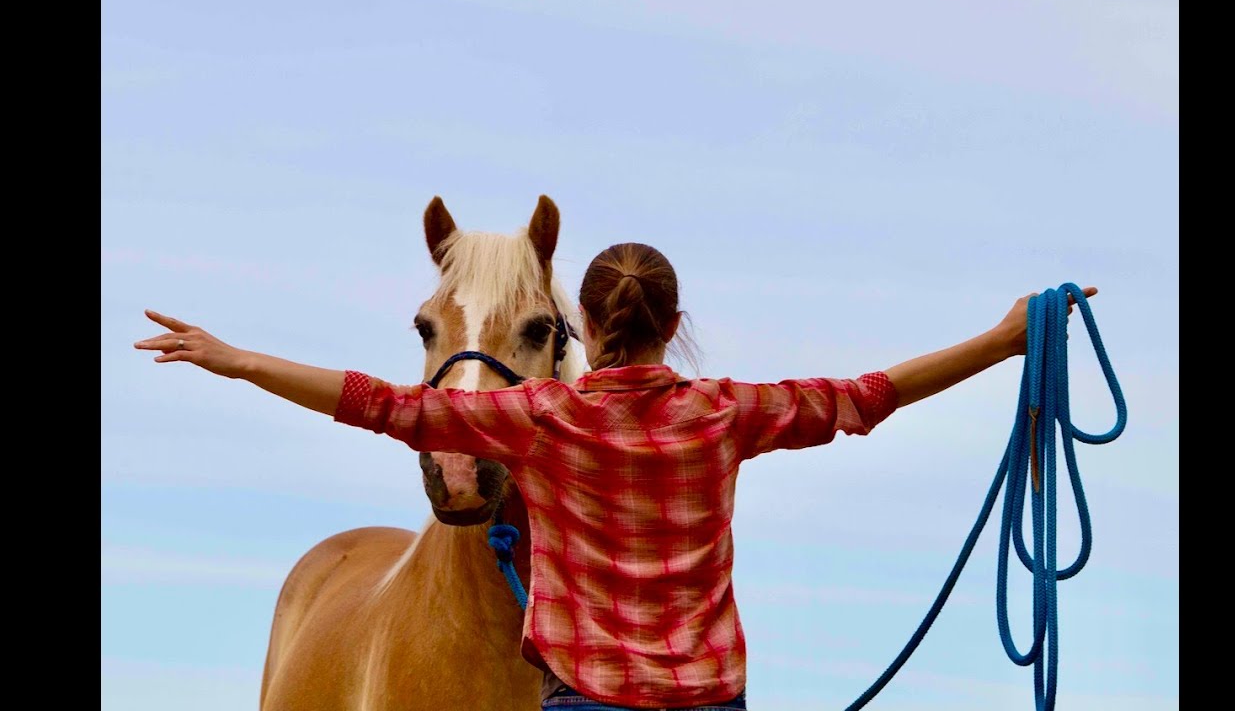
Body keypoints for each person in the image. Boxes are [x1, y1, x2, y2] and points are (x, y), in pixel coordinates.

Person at [133, 241, 1094, 711]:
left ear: (582, 332)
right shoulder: (727, 416)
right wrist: (1008, 339)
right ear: (674, 327)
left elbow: (381, 403)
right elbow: (867, 395)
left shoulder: (544, 421)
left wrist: (239, 359)